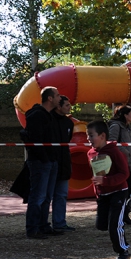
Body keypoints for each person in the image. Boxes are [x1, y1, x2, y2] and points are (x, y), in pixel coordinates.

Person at [86, 120, 131, 259]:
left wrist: (106, 181)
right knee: (101, 225)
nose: (88, 139)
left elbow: (124, 174)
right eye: (87, 136)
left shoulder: (114, 151)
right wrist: (97, 192)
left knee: (115, 225)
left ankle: (123, 251)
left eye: (91, 135)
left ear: (102, 136)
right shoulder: (90, 153)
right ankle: (129, 206)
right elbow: (95, 176)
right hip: (103, 195)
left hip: (118, 191)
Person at [23, 86, 61, 239]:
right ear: (50, 98)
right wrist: (45, 158)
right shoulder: (37, 115)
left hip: (50, 161)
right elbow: (36, 140)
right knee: (38, 196)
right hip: (40, 162)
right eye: (57, 95)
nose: (60, 98)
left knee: (46, 197)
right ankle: (32, 228)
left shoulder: (49, 115)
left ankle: (43, 225)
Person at [108, 104, 131, 225]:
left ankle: (124, 215)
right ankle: (118, 216)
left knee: (127, 191)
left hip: (130, 163)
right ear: (125, 115)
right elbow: (112, 143)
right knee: (121, 191)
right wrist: (125, 152)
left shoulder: (128, 127)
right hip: (122, 164)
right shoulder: (116, 126)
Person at [51, 95, 76, 234]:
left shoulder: (69, 123)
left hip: (64, 162)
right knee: (46, 195)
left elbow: (67, 140)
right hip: (50, 162)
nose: (69, 108)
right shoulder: (48, 120)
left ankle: (59, 222)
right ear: (58, 106)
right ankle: (41, 224)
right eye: (66, 105)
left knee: (61, 194)